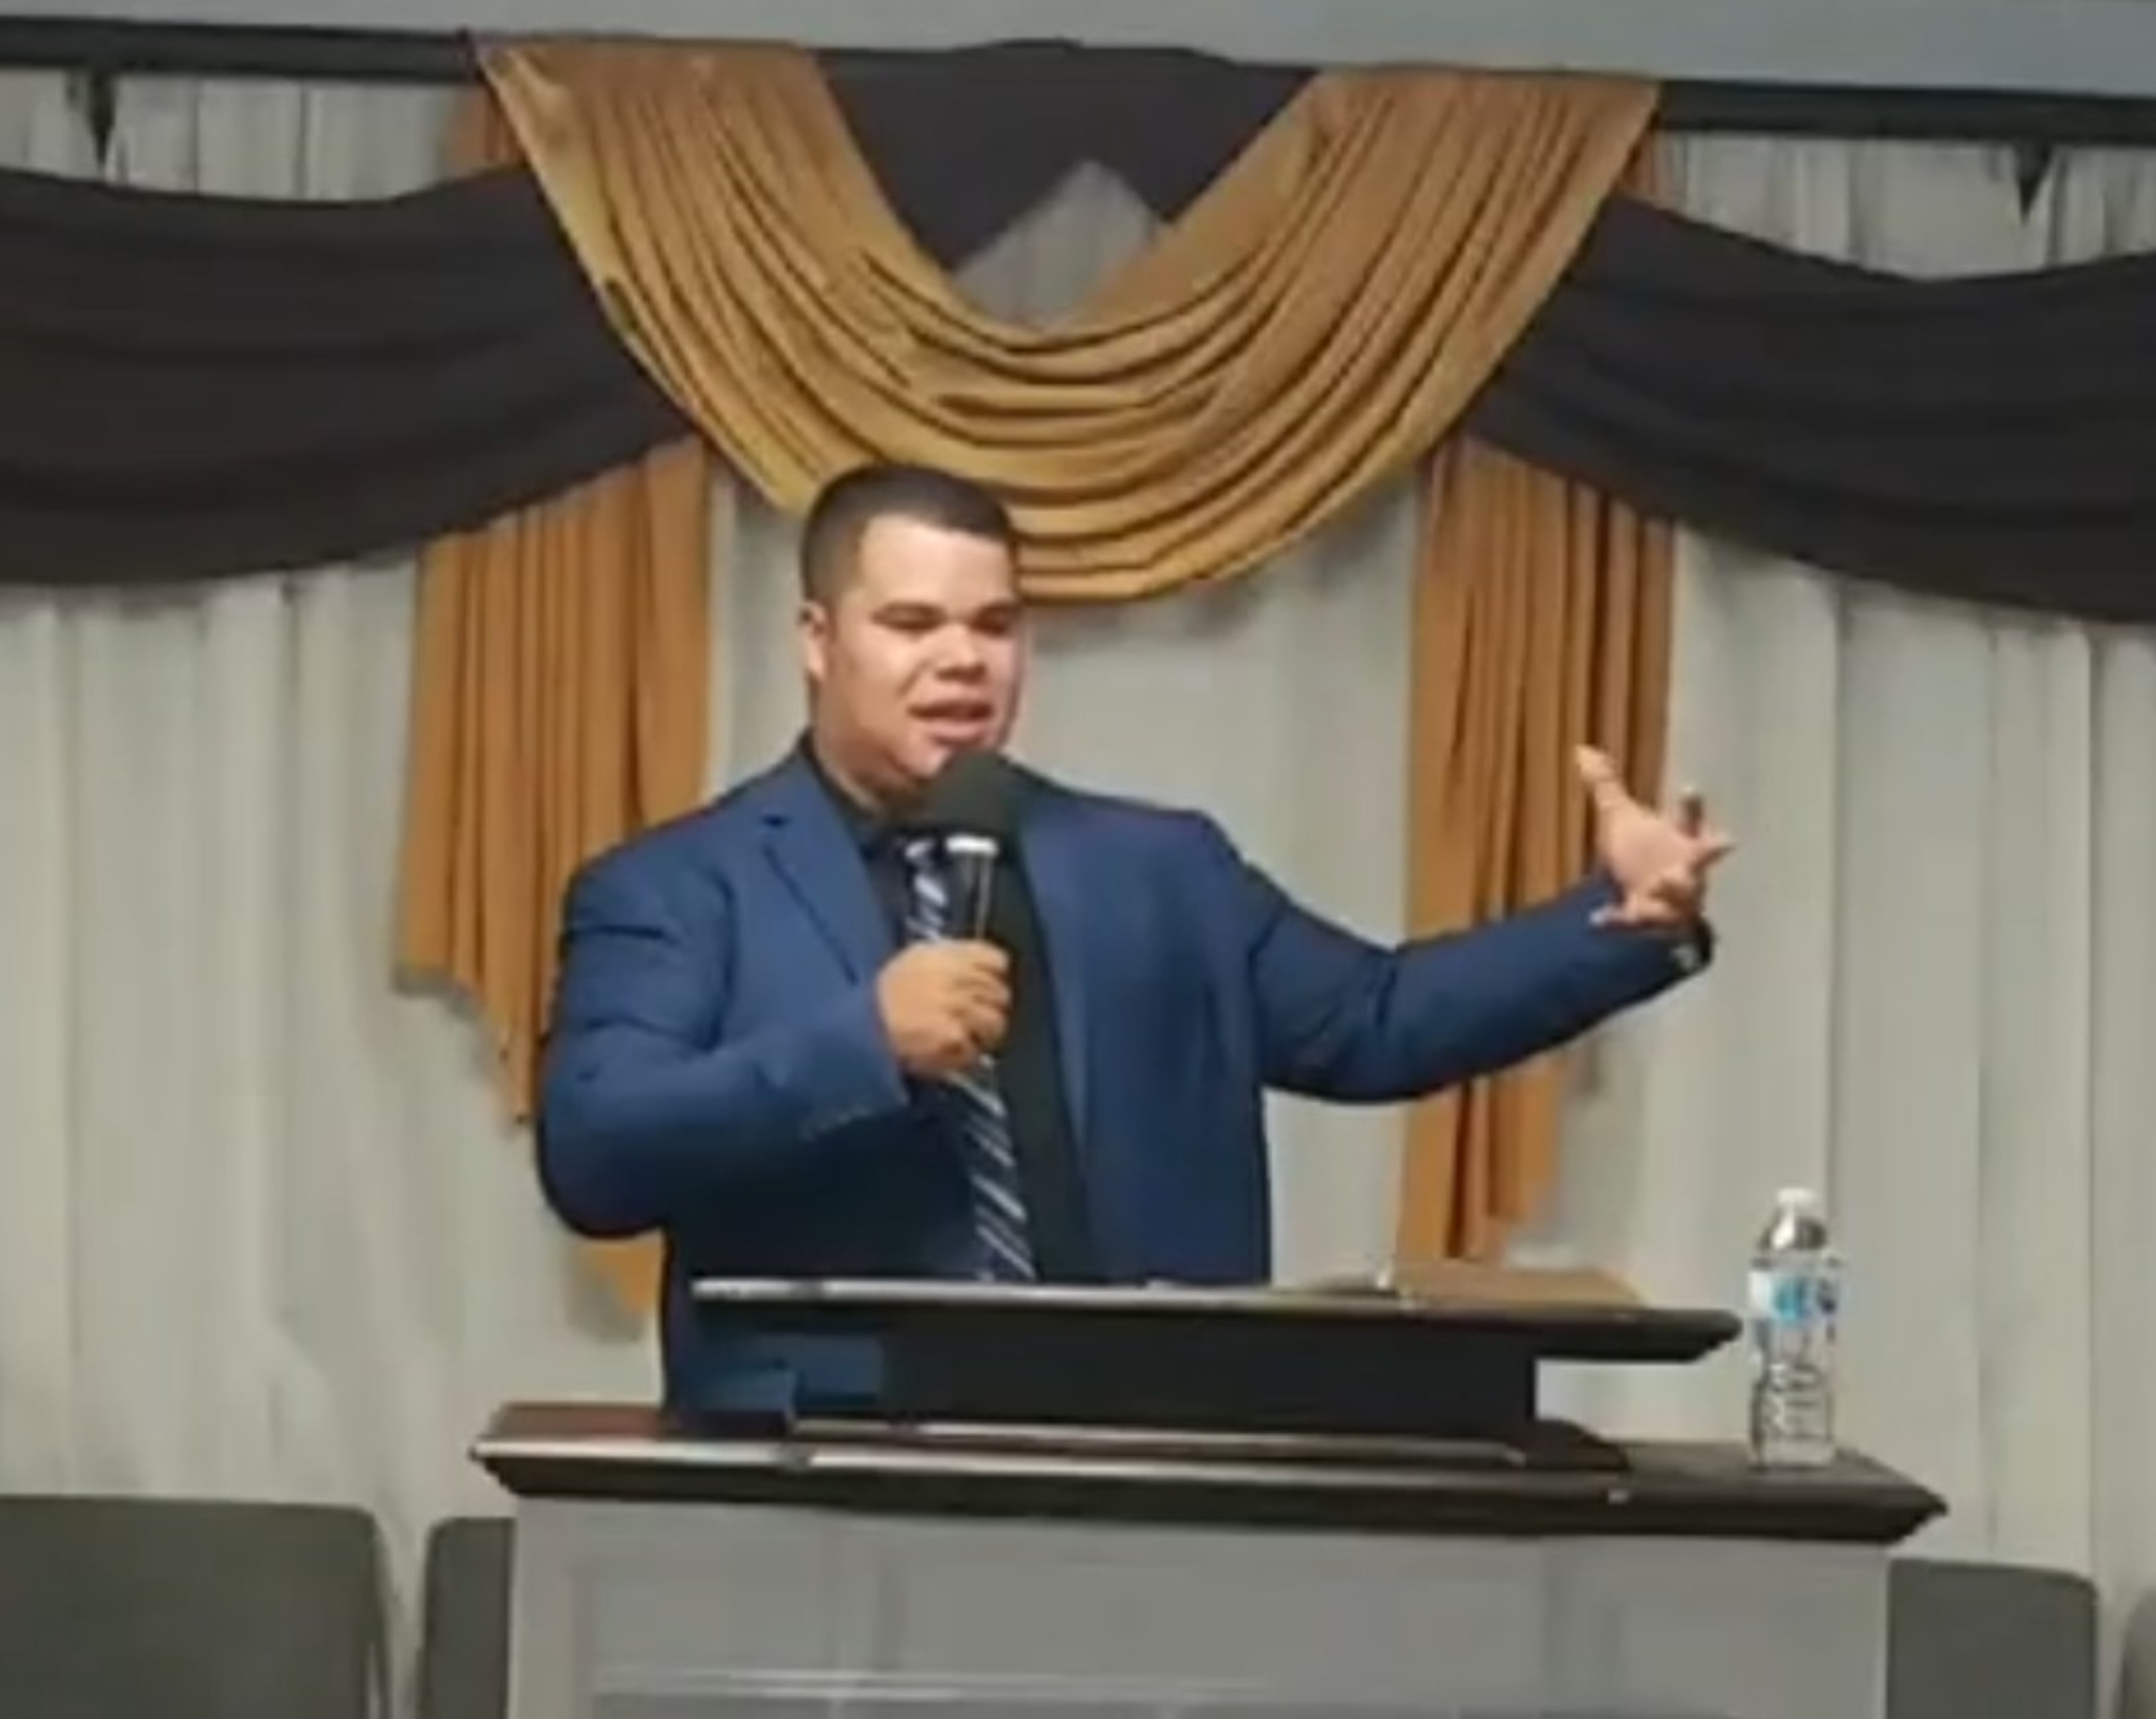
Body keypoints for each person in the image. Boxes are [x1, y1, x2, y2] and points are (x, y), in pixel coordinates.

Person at [535, 462, 1730, 1411]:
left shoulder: (1162, 870)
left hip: (1146, 1462)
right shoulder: (681, 886)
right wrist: (864, 1044)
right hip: (815, 1486)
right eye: (911, 622)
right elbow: (597, 1151)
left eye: (995, 625)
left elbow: (1378, 1021)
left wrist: (1624, 925)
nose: (962, 660)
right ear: (816, 638)